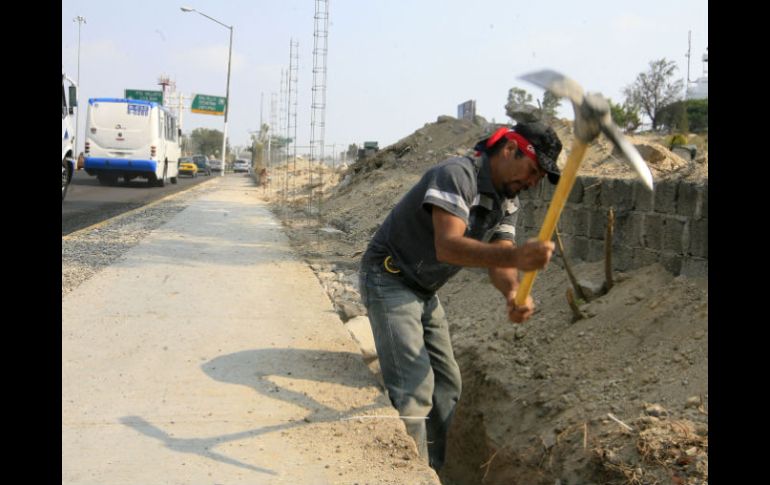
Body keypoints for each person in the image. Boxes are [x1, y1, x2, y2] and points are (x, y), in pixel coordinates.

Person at [358, 121, 563, 470]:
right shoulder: (456, 175)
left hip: (423, 289)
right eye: (533, 171)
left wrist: (512, 293)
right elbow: (448, 247)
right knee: (413, 388)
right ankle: (409, 475)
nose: (532, 182)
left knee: (447, 384)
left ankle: (432, 469)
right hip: (389, 278)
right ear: (510, 150)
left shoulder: (507, 200)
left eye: (540, 178)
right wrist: (516, 257)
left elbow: (500, 257)